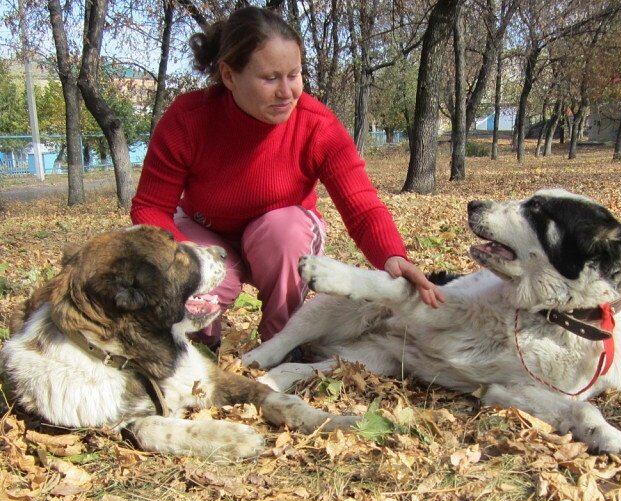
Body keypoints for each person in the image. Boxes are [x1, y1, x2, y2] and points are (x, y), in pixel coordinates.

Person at [130, 6, 443, 350]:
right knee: (198, 273)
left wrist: (393, 256)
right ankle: (199, 349)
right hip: (205, 230)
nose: (287, 92)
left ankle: (280, 346)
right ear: (229, 76)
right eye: (270, 78)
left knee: (285, 230)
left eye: (294, 75)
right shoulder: (189, 119)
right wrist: (188, 257)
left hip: (278, 239)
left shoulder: (316, 125)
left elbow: (362, 206)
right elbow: (151, 207)